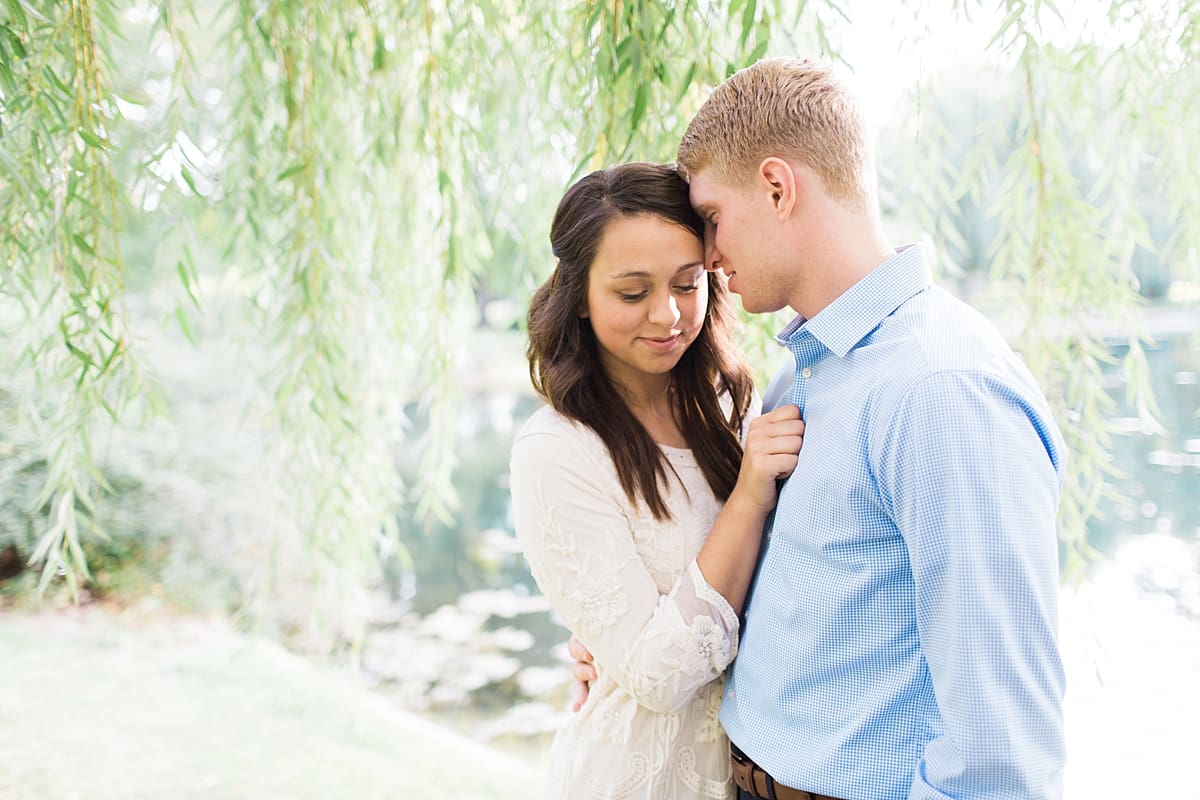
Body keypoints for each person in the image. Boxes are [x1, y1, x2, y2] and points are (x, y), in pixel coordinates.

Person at [571, 58, 1068, 800]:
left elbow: (1000, 753)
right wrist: (622, 641)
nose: (706, 258)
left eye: (710, 219)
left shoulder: (941, 390)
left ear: (778, 187)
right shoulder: (803, 374)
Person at [508, 161, 806, 800]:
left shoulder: (731, 409)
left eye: (686, 282)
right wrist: (751, 495)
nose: (668, 314)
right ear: (579, 297)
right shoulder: (558, 452)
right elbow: (660, 673)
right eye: (632, 292)